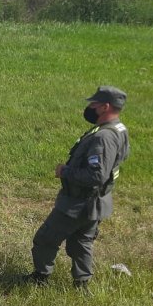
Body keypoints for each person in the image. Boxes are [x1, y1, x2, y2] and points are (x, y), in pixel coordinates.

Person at [24, 86, 130, 289]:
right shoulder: (119, 129)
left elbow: (96, 175)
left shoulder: (103, 137)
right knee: (82, 242)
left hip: (77, 203)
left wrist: (65, 171)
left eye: (94, 104)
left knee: (45, 239)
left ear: (105, 107)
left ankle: (40, 277)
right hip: (96, 202)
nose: (89, 107)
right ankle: (81, 284)